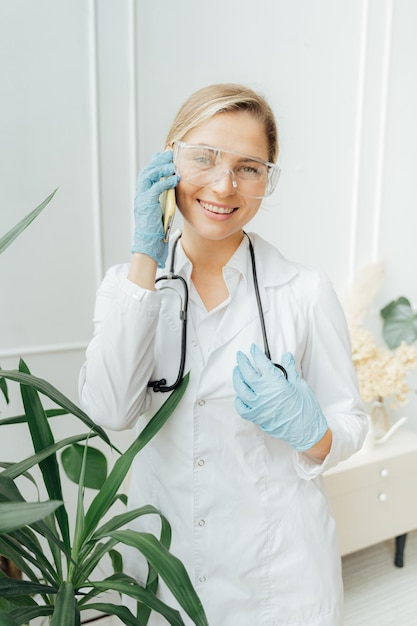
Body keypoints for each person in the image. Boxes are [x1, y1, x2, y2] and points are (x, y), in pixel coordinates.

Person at [79, 83, 368, 626]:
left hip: (281, 579)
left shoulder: (303, 290)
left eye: (249, 167)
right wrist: (145, 254)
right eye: (204, 158)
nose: (223, 184)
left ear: (266, 178)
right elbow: (110, 410)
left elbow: (349, 421)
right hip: (167, 573)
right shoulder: (130, 286)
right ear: (170, 160)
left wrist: (312, 432)